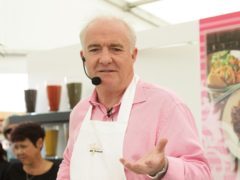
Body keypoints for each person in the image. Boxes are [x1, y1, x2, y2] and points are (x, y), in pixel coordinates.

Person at [57, 16, 212, 180]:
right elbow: (68, 165)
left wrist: (164, 168)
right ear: (84, 57)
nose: (105, 59)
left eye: (116, 49)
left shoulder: (166, 105)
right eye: (94, 49)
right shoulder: (80, 112)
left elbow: (202, 173)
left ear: (133, 55)